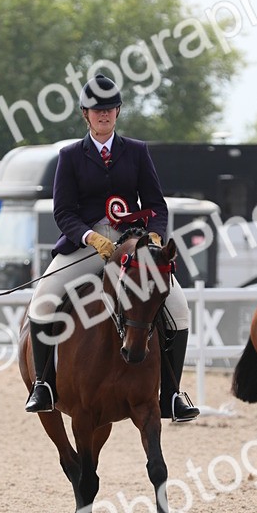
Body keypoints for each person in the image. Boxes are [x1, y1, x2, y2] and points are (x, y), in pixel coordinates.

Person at [24, 73, 199, 421]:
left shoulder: (136, 151)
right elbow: (63, 211)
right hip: (86, 243)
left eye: (109, 110)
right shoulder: (70, 155)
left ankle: (172, 394)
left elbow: (156, 204)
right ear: (85, 114)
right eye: (95, 110)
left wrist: (154, 238)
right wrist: (90, 236)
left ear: (117, 112)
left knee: (178, 308)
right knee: (43, 300)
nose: (103, 115)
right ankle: (43, 384)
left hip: (131, 243)